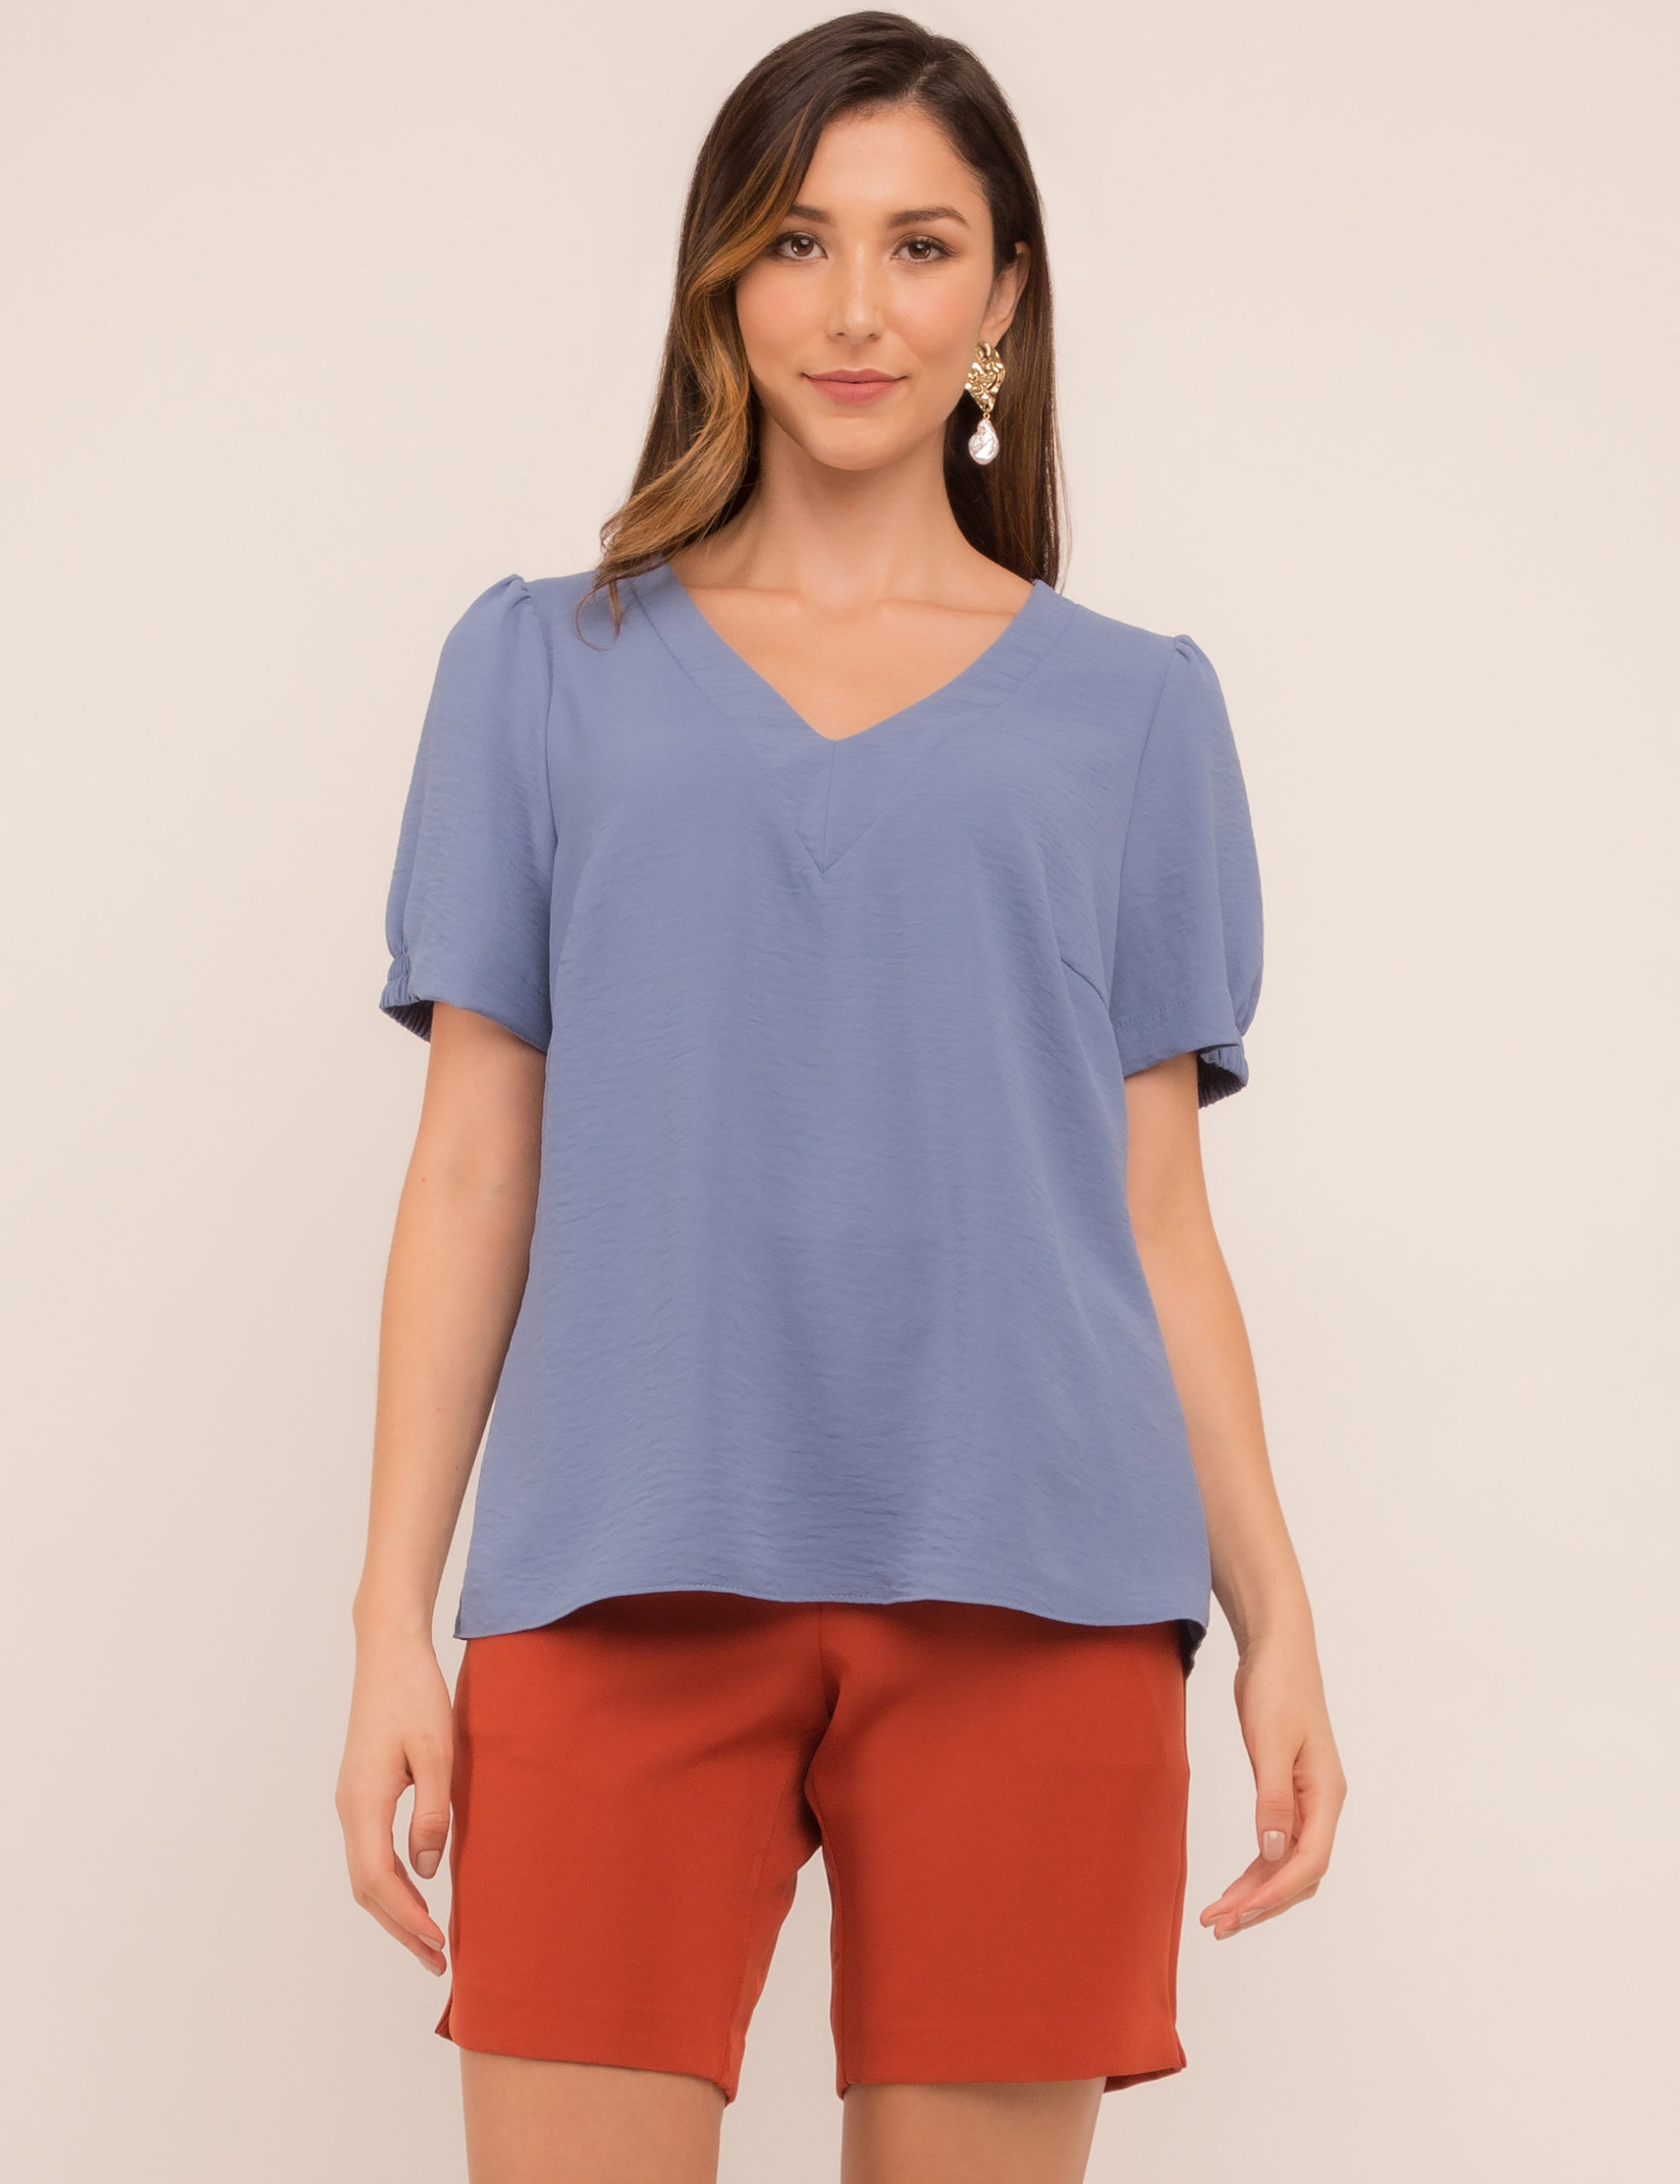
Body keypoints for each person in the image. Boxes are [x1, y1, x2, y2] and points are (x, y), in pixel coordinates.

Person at [334, 14, 1347, 2182]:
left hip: (1037, 1589)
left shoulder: (1134, 713)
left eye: (920, 243)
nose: (857, 306)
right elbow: (474, 1164)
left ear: (1002, 297)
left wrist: (1278, 1621)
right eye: (797, 241)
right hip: (612, 1573)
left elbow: (1156, 1214)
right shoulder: (535, 670)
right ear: (721, 277)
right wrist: (387, 1619)